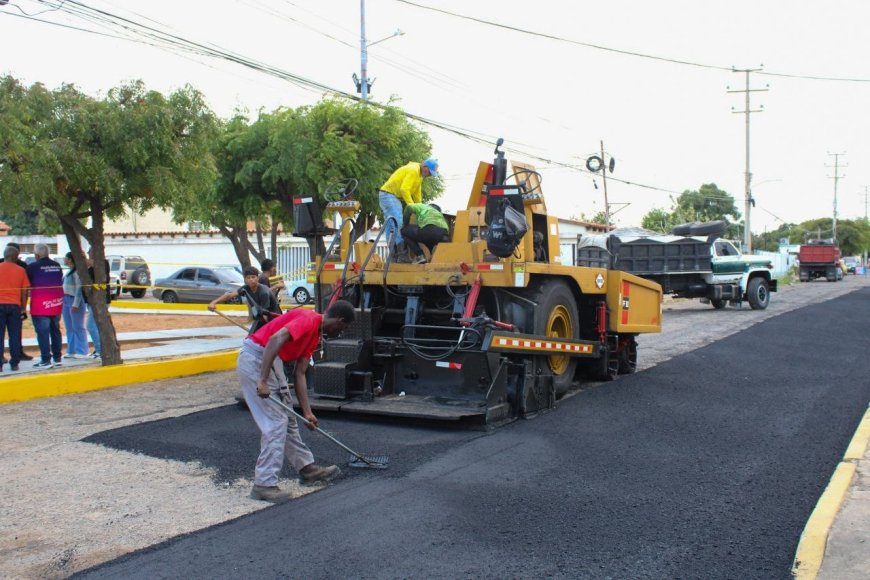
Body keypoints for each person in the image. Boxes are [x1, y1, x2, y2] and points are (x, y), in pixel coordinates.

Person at [238, 299, 355, 503]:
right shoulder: (308, 318)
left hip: (270, 360)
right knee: (276, 422)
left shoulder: (314, 336)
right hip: (256, 357)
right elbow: (276, 338)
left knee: (289, 418)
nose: (342, 332)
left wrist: (308, 412)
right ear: (339, 320)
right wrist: (263, 380)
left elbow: (300, 374)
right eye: (344, 327)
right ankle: (263, 485)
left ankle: (306, 469)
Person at [379, 158, 439, 261]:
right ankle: (401, 255)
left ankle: (393, 256)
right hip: (388, 195)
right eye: (429, 172)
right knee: (398, 223)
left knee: (391, 226)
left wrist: (420, 208)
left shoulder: (419, 176)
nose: (429, 175)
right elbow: (404, 189)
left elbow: (417, 194)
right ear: (425, 167)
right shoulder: (413, 170)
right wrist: (412, 206)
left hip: (387, 195)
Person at [208, 266, 281, 334]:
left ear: (257, 278)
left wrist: (265, 332)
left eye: (253, 277)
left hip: (274, 318)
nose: (251, 279)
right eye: (248, 278)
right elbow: (229, 295)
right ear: (245, 279)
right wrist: (214, 302)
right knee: (250, 340)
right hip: (261, 317)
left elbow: (266, 315)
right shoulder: (246, 289)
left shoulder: (263, 292)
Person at [26, 244, 64, 368]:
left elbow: (27, 284)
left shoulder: (32, 267)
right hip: (56, 303)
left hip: (40, 305)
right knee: (55, 331)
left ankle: (45, 360)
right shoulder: (57, 266)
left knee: (43, 333)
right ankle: (57, 358)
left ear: (36, 255)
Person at [1, 243, 33, 361]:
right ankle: (15, 362)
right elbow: (25, 292)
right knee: (14, 335)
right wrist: (23, 308)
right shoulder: (21, 270)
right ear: (15, 257)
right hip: (15, 306)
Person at [84, 247, 112, 359]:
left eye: (90, 253)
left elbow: (103, 279)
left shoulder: (102, 264)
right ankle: (98, 348)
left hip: (100, 300)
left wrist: (91, 264)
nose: (88, 255)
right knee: (95, 325)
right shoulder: (91, 265)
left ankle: (101, 350)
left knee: (90, 325)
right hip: (91, 300)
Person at [61, 252, 89, 359]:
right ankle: (71, 350)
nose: (64, 260)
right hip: (66, 299)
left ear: (70, 260)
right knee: (69, 326)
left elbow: (79, 289)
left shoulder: (77, 273)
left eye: (66, 258)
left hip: (74, 300)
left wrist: (75, 304)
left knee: (78, 326)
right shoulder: (68, 272)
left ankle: (82, 351)